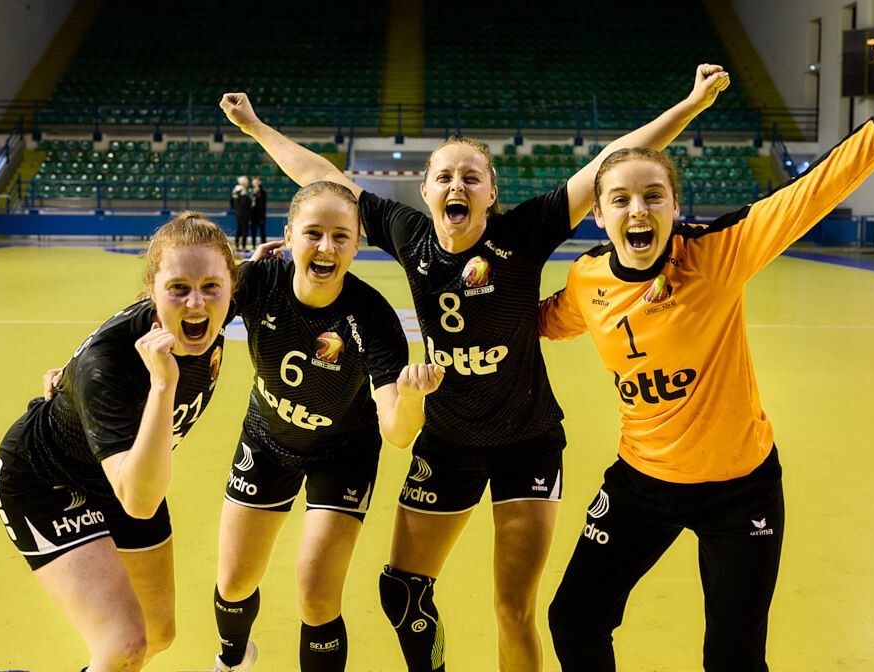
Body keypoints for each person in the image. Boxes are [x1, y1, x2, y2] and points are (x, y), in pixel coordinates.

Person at [219, 63, 729, 672]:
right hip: (449, 439)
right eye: (444, 176)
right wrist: (256, 127)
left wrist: (691, 105)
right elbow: (322, 180)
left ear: (490, 193)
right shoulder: (410, 235)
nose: (456, 184)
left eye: (471, 176)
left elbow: (609, 164)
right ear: (426, 191)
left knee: (513, 608)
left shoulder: (524, 232)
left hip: (527, 440)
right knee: (401, 589)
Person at [537, 49, 874, 672]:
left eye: (653, 196)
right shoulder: (586, 280)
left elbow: (817, 188)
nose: (638, 210)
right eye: (620, 200)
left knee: (734, 657)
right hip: (641, 482)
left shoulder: (716, 255)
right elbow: (536, 323)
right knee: (574, 618)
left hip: (740, 491)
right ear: (597, 216)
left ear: (674, 208)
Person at [208, 181, 444, 672]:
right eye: (313, 233)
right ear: (289, 236)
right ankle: (232, 660)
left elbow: (398, 433)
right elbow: (188, 315)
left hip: (343, 456)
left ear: (357, 245)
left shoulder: (373, 317)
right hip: (267, 440)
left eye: (341, 236)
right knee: (233, 583)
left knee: (317, 597)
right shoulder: (258, 281)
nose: (326, 247)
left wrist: (412, 400)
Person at [0, 213, 238, 671]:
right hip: (45, 480)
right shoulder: (110, 366)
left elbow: (303, 273)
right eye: (177, 288)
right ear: (151, 290)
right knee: (124, 646)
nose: (196, 303)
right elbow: (140, 503)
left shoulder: (216, 304)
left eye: (211, 287)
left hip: (123, 469)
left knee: (158, 633)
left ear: (232, 286)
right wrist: (162, 385)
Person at [231, 175, 252, 250]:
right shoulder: (242, 191)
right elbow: (244, 202)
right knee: (244, 230)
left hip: (238, 212)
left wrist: (236, 209)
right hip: (244, 213)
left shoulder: (235, 190)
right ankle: (243, 246)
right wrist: (250, 201)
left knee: (239, 229)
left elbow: (231, 202)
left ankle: (236, 244)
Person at [250, 177, 268, 246]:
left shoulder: (262, 192)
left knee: (262, 231)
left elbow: (262, 203)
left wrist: (259, 186)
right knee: (253, 232)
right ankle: (253, 245)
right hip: (253, 215)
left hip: (260, 215)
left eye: (256, 183)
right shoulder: (251, 192)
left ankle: (265, 245)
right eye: (254, 183)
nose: (255, 184)